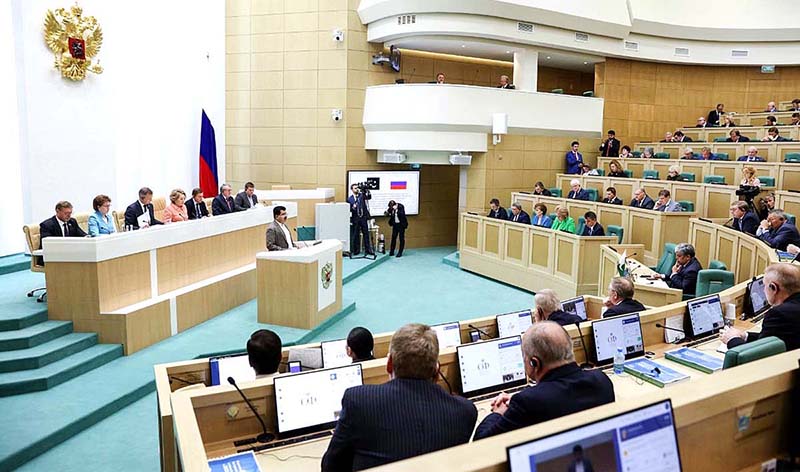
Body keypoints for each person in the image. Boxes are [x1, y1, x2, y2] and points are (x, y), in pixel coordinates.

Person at [322, 323, 477, 471]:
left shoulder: (359, 401)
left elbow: (331, 467)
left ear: (389, 364)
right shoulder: (465, 412)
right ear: (437, 371)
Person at [472, 322, 615, 440]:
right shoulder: (601, 380)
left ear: (535, 363)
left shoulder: (529, 402)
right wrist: (517, 399)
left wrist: (498, 412)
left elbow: (482, 442)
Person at [721, 263, 800, 351]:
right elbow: (774, 339)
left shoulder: (779, 314)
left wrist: (732, 340)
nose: (763, 290)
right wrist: (746, 336)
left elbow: (758, 355)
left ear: (773, 287)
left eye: (764, 286)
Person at [348, 183, 373, 255]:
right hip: (355, 218)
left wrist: (367, 190)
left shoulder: (362, 195)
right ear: (352, 190)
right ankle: (356, 250)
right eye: (355, 188)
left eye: (357, 188)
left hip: (363, 218)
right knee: (356, 235)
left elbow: (369, 197)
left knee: (366, 234)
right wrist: (353, 207)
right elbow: (349, 209)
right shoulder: (349, 199)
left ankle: (368, 250)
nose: (357, 189)